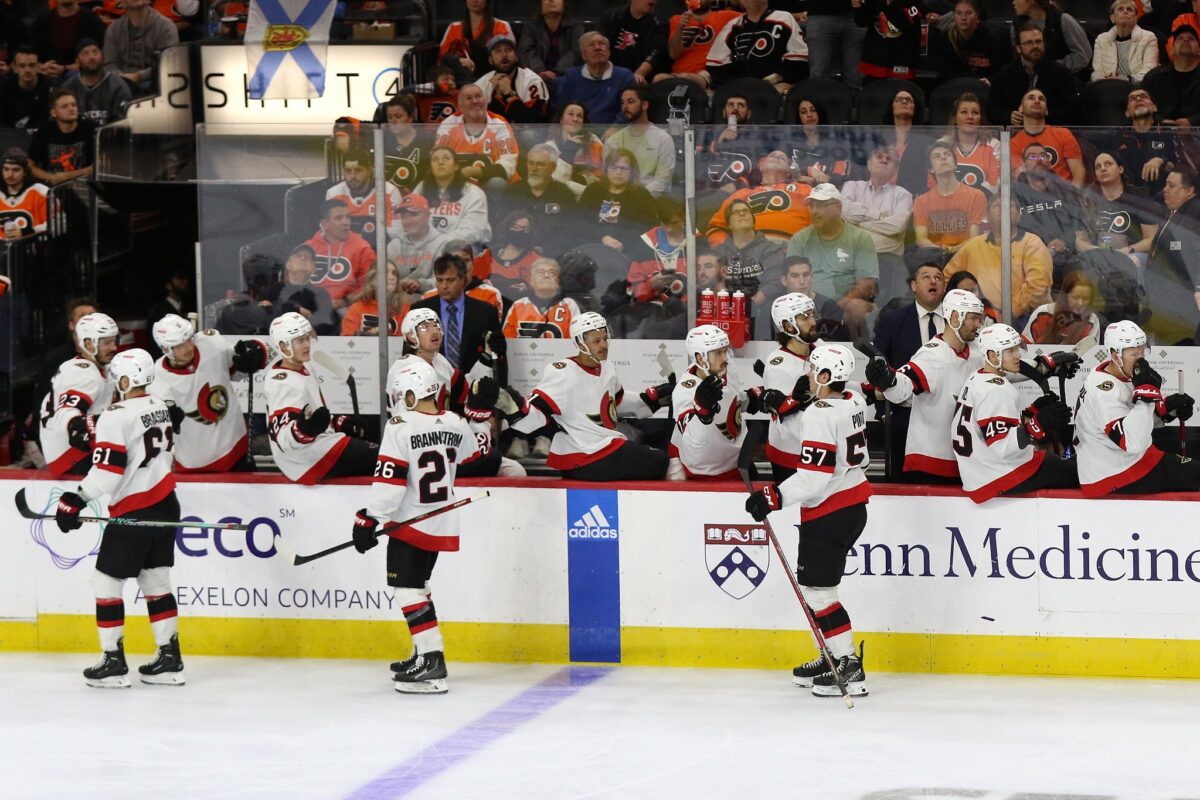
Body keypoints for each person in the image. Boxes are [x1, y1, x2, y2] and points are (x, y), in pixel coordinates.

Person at [350, 358, 484, 694]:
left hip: (410, 520)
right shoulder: (454, 421)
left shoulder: (399, 426)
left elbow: (390, 482)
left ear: (408, 395)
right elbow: (473, 455)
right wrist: (479, 417)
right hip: (440, 519)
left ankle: (431, 660)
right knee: (418, 587)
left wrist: (369, 517)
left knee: (407, 590)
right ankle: (422, 653)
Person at [745, 344, 871, 698]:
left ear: (827, 376)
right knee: (819, 588)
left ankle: (847, 664)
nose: (808, 376)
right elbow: (825, 424)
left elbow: (814, 476)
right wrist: (793, 408)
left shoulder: (820, 412)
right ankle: (830, 654)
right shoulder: (854, 400)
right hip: (851, 503)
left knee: (818, 593)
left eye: (814, 370)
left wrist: (772, 497)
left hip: (831, 509)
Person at [54, 348, 186, 688]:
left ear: (126, 380)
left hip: (134, 511)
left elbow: (108, 471)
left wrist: (75, 498)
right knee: (156, 582)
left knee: (106, 583)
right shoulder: (159, 406)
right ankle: (169, 659)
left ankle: (113, 662)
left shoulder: (115, 415)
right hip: (167, 503)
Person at [510, 311, 668, 479]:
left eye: (605, 339)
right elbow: (535, 415)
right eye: (596, 341)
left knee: (660, 458)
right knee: (662, 462)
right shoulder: (562, 373)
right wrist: (514, 407)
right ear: (580, 343)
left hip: (606, 448)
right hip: (583, 454)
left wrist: (652, 399)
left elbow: (615, 403)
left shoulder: (607, 368)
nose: (604, 345)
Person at [866, 289, 985, 481]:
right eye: (973, 318)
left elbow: (1006, 369)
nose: (979, 324)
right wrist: (887, 381)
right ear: (955, 318)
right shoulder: (932, 355)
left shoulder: (977, 351)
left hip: (963, 462)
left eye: (980, 318)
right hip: (931, 463)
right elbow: (902, 388)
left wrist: (1044, 364)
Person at [386, 307, 519, 479]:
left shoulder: (438, 361)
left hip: (444, 444)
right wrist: (472, 426)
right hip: (420, 452)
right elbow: (412, 426)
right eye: (425, 327)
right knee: (497, 460)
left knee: (512, 469)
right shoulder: (407, 370)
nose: (434, 331)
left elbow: (468, 388)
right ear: (411, 336)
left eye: (436, 325)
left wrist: (486, 357)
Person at [953, 323, 1078, 503]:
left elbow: (991, 428)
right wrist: (1038, 424)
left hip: (979, 470)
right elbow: (1002, 446)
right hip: (997, 474)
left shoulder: (977, 378)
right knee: (1078, 473)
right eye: (1010, 351)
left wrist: (1033, 411)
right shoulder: (997, 390)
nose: (1018, 355)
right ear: (992, 355)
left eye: (1017, 349)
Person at [1075, 320, 1200, 494]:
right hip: (1114, 472)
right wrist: (1146, 399)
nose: (1141, 359)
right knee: (1195, 473)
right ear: (1115, 355)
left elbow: (1133, 418)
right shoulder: (1103, 391)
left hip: (1123, 462)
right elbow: (1132, 442)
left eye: (1142, 351)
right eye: (1134, 353)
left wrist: (1167, 408)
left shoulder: (1113, 372)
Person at [263, 312, 376, 484]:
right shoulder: (283, 383)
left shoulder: (304, 368)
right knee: (383, 459)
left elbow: (312, 415)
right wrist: (305, 429)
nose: (307, 344)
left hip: (318, 446)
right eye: (300, 340)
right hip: (307, 460)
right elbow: (284, 437)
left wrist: (339, 422)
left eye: (307, 338)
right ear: (283, 346)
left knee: (376, 438)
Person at [148, 314, 264, 472]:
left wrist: (255, 353)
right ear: (165, 349)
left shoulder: (211, 343)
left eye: (189, 339)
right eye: (180, 345)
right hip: (195, 465)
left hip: (237, 452)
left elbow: (239, 368)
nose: (189, 347)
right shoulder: (156, 380)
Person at [786, 183, 878, 340]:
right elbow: (790, 280)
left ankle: (857, 356)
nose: (814, 211)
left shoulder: (860, 238)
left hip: (844, 306)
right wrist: (810, 308)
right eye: (812, 206)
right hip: (807, 306)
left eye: (821, 205)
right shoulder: (800, 239)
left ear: (838, 207)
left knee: (857, 307)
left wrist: (832, 308)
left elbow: (866, 286)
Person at [667, 324, 759, 481]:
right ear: (699, 358)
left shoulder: (726, 367)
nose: (725, 358)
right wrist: (702, 412)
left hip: (736, 460)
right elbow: (692, 439)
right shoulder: (685, 392)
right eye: (718, 353)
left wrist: (752, 398)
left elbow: (732, 399)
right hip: (702, 472)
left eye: (725, 351)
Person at [945, 193, 1053, 319]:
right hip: (979, 320)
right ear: (987, 217)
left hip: (1027, 319)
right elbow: (947, 280)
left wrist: (1006, 314)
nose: (1003, 208)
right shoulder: (973, 246)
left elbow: (1038, 287)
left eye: (1010, 205)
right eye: (997, 205)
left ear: (1019, 216)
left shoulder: (1032, 243)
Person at [39, 312, 118, 477]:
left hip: (72, 452)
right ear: (89, 344)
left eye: (114, 340)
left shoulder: (93, 367)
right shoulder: (85, 373)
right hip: (74, 454)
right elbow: (68, 411)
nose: (114, 347)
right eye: (107, 342)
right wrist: (77, 428)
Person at [839, 144, 912, 304]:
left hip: (886, 262)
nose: (884, 161)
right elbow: (843, 212)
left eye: (889, 159)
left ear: (895, 170)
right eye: (879, 157)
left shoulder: (903, 195)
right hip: (850, 259)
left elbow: (896, 227)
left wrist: (859, 223)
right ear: (869, 164)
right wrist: (878, 215)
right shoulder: (852, 186)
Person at [410, 253, 503, 375]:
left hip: (475, 387)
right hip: (432, 386)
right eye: (439, 280)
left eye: (450, 280)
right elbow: (409, 356)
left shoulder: (485, 312)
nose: (444, 286)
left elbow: (498, 354)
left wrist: (500, 390)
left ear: (463, 280)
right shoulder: (419, 310)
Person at [760, 293, 819, 482]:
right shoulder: (779, 366)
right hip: (791, 455)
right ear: (788, 326)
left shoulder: (819, 347)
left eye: (811, 315)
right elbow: (786, 416)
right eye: (804, 317)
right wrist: (798, 399)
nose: (812, 321)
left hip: (816, 450)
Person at [708, 151, 813, 244]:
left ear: (788, 172)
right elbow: (718, 226)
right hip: (749, 250)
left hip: (792, 250)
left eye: (782, 158)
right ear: (761, 167)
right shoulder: (742, 194)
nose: (776, 156)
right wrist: (725, 252)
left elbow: (820, 217)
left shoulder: (803, 189)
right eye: (772, 155)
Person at [1145, 168, 1200, 344]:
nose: (1165, 190)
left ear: (1189, 190)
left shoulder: (1196, 212)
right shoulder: (1176, 213)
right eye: (1165, 185)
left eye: (1171, 185)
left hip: (1186, 305)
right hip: (1167, 303)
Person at [1075, 151, 1160, 264]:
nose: (1103, 169)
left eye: (1108, 164)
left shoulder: (1138, 197)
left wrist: (1127, 251)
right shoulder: (1087, 199)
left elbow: (1152, 239)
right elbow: (1080, 241)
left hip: (1131, 255)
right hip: (1099, 258)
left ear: (1120, 169)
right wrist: (1098, 252)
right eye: (1098, 167)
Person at [497, 143, 578, 259]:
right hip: (514, 254)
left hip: (550, 255)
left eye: (540, 165)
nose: (534, 169)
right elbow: (501, 224)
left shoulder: (565, 195)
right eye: (531, 163)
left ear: (553, 168)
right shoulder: (513, 191)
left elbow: (570, 232)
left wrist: (545, 249)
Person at [705, 0, 808, 92]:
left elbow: (800, 56)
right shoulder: (733, 25)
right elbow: (716, 64)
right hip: (742, 88)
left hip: (777, 86)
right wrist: (739, 84)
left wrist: (779, 77)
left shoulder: (784, 18)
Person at [1014, 142, 1084, 270]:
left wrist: (1065, 242)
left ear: (1050, 162)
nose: (1039, 160)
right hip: (1027, 260)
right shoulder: (1014, 194)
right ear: (1024, 165)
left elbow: (1079, 224)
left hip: (1067, 258)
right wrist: (1038, 248)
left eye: (1044, 156)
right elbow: (1010, 231)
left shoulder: (1066, 190)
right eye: (1032, 157)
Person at [989, 25, 1079, 126]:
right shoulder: (1004, 74)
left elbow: (1072, 112)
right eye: (1029, 43)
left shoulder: (1061, 74)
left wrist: (1043, 114)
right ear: (1018, 48)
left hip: (1051, 133)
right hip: (1015, 133)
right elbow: (992, 111)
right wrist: (1008, 116)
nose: (1035, 46)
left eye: (1038, 41)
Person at [713, 199, 787, 318]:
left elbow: (775, 283)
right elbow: (712, 281)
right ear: (729, 224)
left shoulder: (771, 250)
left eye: (746, 211)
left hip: (760, 314)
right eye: (736, 212)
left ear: (753, 221)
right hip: (724, 312)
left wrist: (747, 307)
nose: (742, 214)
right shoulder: (719, 252)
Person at [434, 83, 520, 184]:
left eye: (478, 96)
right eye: (469, 98)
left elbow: (509, 164)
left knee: (497, 182)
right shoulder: (448, 125)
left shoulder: (499, 125)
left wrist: (475, 172)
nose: (475, 101)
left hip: (493, 186)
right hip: (457, 184)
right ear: (460, 107)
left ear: (486, 101)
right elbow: (436, 159)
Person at [913, 142, 988, 256]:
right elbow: (921, 239)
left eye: (947, 154)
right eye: (937, 156)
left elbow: (975, 238)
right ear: (931, 169)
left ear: (955, 164)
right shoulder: (921, 201)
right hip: (935, 258)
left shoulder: (976, 196)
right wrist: (942, 252)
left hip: (967, 256)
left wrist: (951, 251)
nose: (943, 157)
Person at [577, 148, 657, 252]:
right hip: (592, 245)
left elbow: (647, 227)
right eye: (614, 167)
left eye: (624, 168)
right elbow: (578, 221)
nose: (618, 172)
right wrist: (602, 237)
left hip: (628, 250)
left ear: (632, 171)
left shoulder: (641, 195)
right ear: (606, 169)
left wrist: (623, 242)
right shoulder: (593, 190)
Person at [604, 85, 675, 196]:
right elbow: (608, 177)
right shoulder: (613, 140)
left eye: (631, 101)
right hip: (617, 199)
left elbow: (662, 181)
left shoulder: (663, 139)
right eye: (622, 103)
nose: (625, 107)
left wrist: (638, 199)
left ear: (645, 105)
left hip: (650, 201)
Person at [552, 32, 637, 125]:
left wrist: (615, 129)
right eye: (591, 45)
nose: (597, 48)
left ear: (608, 52)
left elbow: (631, 108)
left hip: (615, 133)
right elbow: (561, 109)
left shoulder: (624, 76)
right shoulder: (571, 76)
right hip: (579, 132)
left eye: (601, 44)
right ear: (583, 55)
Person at [304, 199, 375, 310]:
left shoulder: (362, 248)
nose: (346, 222)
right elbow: (293, 282)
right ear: (325, 224)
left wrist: (343, 302)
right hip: (310, 305)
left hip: (344, 307)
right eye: (339, 218)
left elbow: (370, 287)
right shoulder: (308, 247)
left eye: (348, 217)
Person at [415, 145, 492, 246]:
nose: (440, 162)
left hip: (466, 248)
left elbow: (471, 233)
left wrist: (436, 244)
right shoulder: (421, 188)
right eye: (435, 160)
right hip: (426, 248)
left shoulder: (473, 193)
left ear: (456, 166)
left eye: (446, 158)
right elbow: (409, 219)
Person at [1008, 89, 1085, 187]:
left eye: (1041, 99)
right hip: (1032, 199)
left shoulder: (1063, 134)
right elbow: (1019, 177)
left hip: (1063, 197)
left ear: (1047, 110)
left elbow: (1079, 173)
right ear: (1021, 108)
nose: (1037, 101)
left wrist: (1070, 199)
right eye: (1031, 98)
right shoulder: (1014, 143)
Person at [763, 255, 847, 342]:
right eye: (795, 276)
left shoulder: (829, 306)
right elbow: (764, 343)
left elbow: (834, 343)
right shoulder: (771, 309)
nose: (802, 281)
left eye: (806, 275)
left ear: (812, 277)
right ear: (784, 280)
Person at [325, 148, 401, 242]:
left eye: (358, 170)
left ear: (369, 171)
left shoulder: (389, 191)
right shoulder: (333, 194)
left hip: (379, 250)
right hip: (345, 250)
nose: (352, 176)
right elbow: (328, 230)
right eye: (348, 171)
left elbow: (396, 233)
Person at [386, 193, 452, 299]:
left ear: (427, 216)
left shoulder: (443, 244)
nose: (408, 221)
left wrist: (420, 284)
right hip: (397, 302)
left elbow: (448, 281)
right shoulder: (393, 246)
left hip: (431, 301)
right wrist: (398, 285)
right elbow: (383, 281)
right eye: (403, 216)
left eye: (413, 214)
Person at [659, 1, 740, 88]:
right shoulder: (677, 19)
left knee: (687, 78)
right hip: (678, 73)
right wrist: (681, 27)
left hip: (707, 75)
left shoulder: (726, 16)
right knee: (659, 78)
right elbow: (673, 54)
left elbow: (753, 16)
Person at [1115, 88, 1178, 198]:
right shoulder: (1118, 137)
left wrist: (1161, 161)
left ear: (1154, 107)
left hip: (1165, 196)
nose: (1138, 99)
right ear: (1127, 113)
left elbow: (1180, 169)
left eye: (1144, 96)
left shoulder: (1169, 133)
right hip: (1127, 198)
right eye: (1132, 99)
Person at [103, 0, 178, 90]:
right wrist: (121, 77)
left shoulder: (166, 27)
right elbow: (110, 63)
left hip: (156, 85)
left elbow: (167, 64)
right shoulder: (113, 29)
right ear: (121, 2)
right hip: (121, 85)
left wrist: (138, 76)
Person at [474, 34, 550, 123]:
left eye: (508, 50)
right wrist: (497, 96)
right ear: (490, 60)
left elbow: (535, 121)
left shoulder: (532, 81)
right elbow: (478, 122)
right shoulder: (480, 85)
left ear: (516, 57)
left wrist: (509, 93)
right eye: (498, 51)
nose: (504, 55)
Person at [927, 0, 1011, 80]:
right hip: (956, 84)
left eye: (969, 13)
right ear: (953, 16)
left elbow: (1001, 70)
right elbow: (946, 69)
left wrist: (989, 80)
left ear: (977, 15)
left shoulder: (992, 37)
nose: (963, 18)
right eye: (958, 13)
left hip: (985, 85)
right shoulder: (946, 36)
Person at [27, 89, 96, 187]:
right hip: (53, 189)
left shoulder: (91, 129)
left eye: (73, 105)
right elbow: (30, 166)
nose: (71, 109)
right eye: (64, 106)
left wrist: (66, 176)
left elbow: (98, 167)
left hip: (84, 187)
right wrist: (51, 177)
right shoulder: (44, 132)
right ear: (54, 113)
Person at [938, 93, 1001, 195]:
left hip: (982, 205)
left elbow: (995, 182)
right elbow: (935, 180)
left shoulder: (994, 145)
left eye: (975, 113)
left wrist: (971, 201)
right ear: (954, 118)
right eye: (964, 112)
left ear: (980, 118)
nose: (970, 117)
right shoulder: (942, 145)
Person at [1010, 0, 1092, 77]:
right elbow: (1017, 56)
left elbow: (1083, 56)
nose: (1014, 2)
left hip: (1063, 77)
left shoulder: (1063, 20)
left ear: (1031, 1)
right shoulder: (1017, 24)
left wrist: (1051, 68)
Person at [503, 257, 581, 338]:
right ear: (531, 280)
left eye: (552, 273)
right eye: (540, 272)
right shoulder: (518, 306)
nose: (546, 275)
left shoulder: (570, 305)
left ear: (558, 281)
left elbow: (578, 341)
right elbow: (507, 342)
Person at [438, 0, 515, 81]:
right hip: (460, 77)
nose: (474, 1)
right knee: (448, 59)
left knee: (480, 50)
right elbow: (442, 59)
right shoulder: (453, 28)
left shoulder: (502, 26)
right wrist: (459, 60)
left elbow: (509, 58)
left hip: (491, 75)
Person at [1142, 23, 1200, 127]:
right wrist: (1160, 121)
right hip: (1160, 135)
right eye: (1180, 38)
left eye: (1191, 39)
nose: (1185, 40)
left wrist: (1192, 122)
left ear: (1199, 50)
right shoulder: (1154, 77)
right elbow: (1141, 105)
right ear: (1172, 49)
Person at [62, 39, 131, 127]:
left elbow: (124, 122)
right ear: (77, 61)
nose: (92, 57)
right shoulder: (68, 87)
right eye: (85, 53)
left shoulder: (118, 86)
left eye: (95, 52)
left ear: (102, 56)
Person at [1023, 270, 1103, 344]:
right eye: (1075, 297)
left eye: (1085, 299)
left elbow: (1091, 354)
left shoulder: (1091, 320)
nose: (1080, 303)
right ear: (1065, 296)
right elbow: (1025, 346)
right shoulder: (1042, 313)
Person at [32, 0, 106, 80]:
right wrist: (43, 67)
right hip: (47, 74)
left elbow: (98, 59)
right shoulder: (43, 21)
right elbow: (34, 55)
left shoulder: (92, 21)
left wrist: (65, 69)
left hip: (80, 75)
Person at [518, 0, 585, 84]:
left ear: (564, 4)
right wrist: (540, 72)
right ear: (540, 5)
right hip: (536, 78)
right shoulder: (530, 27)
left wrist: (556, 72)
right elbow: (526, 52)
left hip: (567, 77)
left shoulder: (575, 26)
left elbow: (576, 52)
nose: (551, 0)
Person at [1092, 0, 1159, 83]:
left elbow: (1149, 72)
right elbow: (1097, 72)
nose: (1125, 11)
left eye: (1129, 9)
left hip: (1137, 87)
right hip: (1108, 87)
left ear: (1135, 18)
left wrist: (1126, 79)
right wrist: (1107, 81)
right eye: (1120, 9)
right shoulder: (1102, 39)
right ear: (1112, 18)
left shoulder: (1148, 37)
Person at [853, 0, 922, 81]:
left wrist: (890, 4)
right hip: (876, 56)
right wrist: (858, 8)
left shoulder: (911, 3)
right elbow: (862, 22)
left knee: (900, 89)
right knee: (874, 89)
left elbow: (912, 25)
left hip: (901, 57)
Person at [601, 0, 667, 83]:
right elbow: (601, 43)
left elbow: (656, 52)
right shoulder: (612, 16)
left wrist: (639, 74)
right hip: (610, 72)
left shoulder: (659, 22)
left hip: (641, 76)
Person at [380, 94, 434, 196]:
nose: (393, 121)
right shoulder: (382, 138)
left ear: (410, 118)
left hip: (419, 197)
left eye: (398, 116)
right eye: (389, 117)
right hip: (387, 197)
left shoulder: (427, 140)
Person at [547, 100, 606, 193]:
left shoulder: (593, 141)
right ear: (561, 119)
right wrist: (569, 149)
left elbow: (602, 174)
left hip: (589, 194)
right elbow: (554, 179)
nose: (575, 119)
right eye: (570, 114)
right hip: (561, 194)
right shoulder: (549, 146)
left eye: (579, 116)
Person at [341, 261, 408, 337]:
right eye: (385, 272)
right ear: (372, 280)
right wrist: (371, 334)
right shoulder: (357, 308)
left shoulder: (404, 308)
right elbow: (347, 341)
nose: (392, 277)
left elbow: (408, 342)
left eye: (394, 273)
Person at [486, 211, 542, 300]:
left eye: (526, 229)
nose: (521, 232)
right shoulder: (488, 256)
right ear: (507, 229)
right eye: (516, 227)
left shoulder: (536, 261)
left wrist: (528, 289)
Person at [0, 147, 48, 240]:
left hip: (34, 251)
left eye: (16, 170)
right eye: (6, 169)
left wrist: (25, 232)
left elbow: (57, 223)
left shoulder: (41, 192)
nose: (10, 175)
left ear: (25, 172)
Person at [0, 46, 51, 131]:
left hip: (39, 136)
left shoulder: (49, 87)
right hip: (9, 137)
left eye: (32, 65)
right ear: (14, 68)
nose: (27, 70)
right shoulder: (4, 87)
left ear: (38, 67)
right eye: (22, 66)